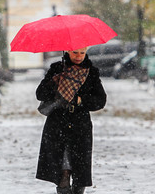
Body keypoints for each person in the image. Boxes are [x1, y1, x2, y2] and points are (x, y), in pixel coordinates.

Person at [36, 47, 107, 194]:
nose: (79, 56)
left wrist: (81, 100)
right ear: (67, 50)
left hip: (80, 125)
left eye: (82, 52)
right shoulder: (57, 68)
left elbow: (100, 100)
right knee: (63, 168)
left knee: (80, 172)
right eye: (75, 52)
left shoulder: (91, 72)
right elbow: (40, 94)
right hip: (58, 124)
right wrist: (55, 83)